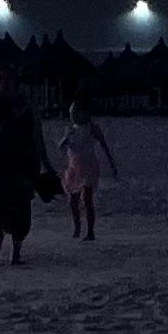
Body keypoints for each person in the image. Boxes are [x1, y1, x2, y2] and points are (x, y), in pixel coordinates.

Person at [0, 69, 48, 262]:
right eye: (1, 78)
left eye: (8, 78)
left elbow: (37, 133)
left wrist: (45, 161)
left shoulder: (26, 103)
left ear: (16, 80)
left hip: (22, 160)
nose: (5, 82)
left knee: (21, 207)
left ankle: (16, 252)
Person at [54, 89, 118, 240]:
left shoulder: (92, 128)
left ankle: (90, 231)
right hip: (73, 167)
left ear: (85, 113)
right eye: (72, 113)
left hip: (88, 166)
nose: (74, 116)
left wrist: (112, 164)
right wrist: (64, 142)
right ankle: (77, 228)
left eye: (77, 112)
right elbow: (61, 146)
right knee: (73, 200)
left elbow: (104, 146)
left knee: (87, 199)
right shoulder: (70, 130)